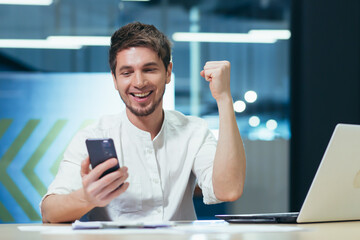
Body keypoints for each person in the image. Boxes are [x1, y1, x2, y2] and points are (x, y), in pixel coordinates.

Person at [40, 22, 246, 223]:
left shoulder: (194, 131)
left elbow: (228, 190)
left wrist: (224, 98)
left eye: (149, 69)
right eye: (127, 72)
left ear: (167, 72)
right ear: (114, 79)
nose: (139, 82)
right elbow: (49, 212)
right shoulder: (93, 136)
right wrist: (86, 198)